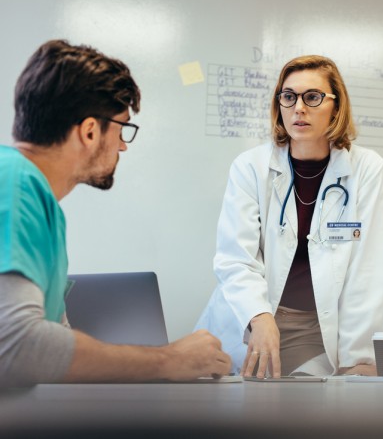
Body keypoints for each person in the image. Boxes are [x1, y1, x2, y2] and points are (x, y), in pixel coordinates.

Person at [0, 40, 231, 387]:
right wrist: (168, 360)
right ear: (90, 131)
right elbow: (18, 346)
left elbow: (52, 343)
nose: (123, 144)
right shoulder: (15, 184)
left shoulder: (35, 199)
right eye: (122, 128)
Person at [195, 55, 383, 378]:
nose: (299, 108)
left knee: (306, 416)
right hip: (250, 321)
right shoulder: (251, 167)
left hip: (315, 330)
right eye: (288, 97)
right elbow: (235, 258)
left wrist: (358, 356)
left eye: (312, 97)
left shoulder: (366, 169)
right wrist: (259, 315)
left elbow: (364, 270)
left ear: (336, 107)